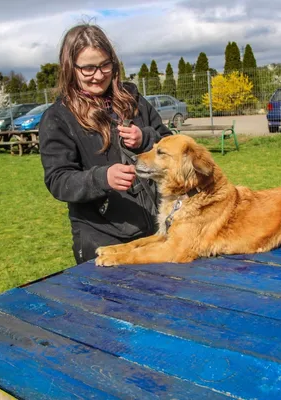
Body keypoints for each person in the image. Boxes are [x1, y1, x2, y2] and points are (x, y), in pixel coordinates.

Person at [38, 23, 173, 264]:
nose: (99, 75)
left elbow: (171, 144)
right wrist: (102, 178)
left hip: (155, 228)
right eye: (88, 68)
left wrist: (146, 138)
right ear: (71, 68)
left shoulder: (133, 100)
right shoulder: (57, 117)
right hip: (102, 238)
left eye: (104, 65)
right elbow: (58, 180)